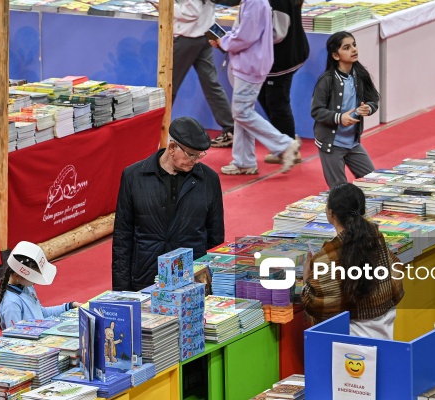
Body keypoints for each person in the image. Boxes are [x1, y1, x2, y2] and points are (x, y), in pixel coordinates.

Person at [112, 116, 225, 291]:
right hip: (145, 278)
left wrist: (213, 282)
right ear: (172, 147)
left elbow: (215, 237)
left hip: (191, 281)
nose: (196, 160)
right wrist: (121, 290)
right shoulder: (133, 177)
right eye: (191, 155)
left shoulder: (209, 179)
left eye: (200, 155)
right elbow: (122, 237)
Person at [301, 183, 404, 340]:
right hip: (386, 332)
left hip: (351, 346)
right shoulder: (376, 237)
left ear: (330, 213)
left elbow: (315, 305)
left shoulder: (326, 257)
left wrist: (307, 277)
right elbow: (395, 276)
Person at [209, 0, 300, 175]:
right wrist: (224, 40)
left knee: (242, 111)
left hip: (250, 64)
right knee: (242, 113)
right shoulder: (253, 2)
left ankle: (284, 144)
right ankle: (244, 160)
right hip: (249, 63)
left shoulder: (255, 2)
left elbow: (245, 36)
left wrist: (224, 41)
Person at [311, 31, 380, 188]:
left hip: (353, 142)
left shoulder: (360, 74)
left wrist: (368, 108)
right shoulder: (327, 80)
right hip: (332, 144)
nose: (354, 50)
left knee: (373, 181)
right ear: (336, 55)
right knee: (339, 189)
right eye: (347, 47)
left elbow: (374, 99)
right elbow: (316, 111)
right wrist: (339, 118)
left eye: (354, 45)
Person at [164, 0, 235, 148]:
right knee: (211, 84)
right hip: (204, 35)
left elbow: (191, 12)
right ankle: (230, 129)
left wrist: (167, 6)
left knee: (169, 85)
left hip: (186, 38)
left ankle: (159, 129)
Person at [0, 241, 82, 330]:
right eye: (33, 279)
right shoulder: (11, 304)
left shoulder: (27, 286)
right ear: (17, 276)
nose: (35, 282)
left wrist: (69, 306)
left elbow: (41, 313)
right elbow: (15, 336)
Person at [260, 0, 309, 165]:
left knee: (277, 101)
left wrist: (251, 37)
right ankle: (286, 136)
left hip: (282, 58)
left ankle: (288, 146)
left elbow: (278, 33)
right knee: (265, 96)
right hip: (290, 53)